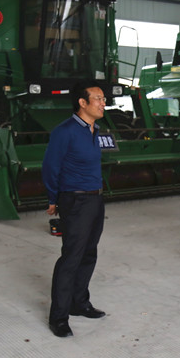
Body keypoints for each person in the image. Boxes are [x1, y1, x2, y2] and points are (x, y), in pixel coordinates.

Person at [43, 81, 108, 338]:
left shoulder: (95, 130)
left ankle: (79, 303)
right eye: (98, 99)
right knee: (71, 257)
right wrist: (53, 199)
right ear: (82, 103)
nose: (103, 103)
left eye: (104, 99)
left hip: (96, 199)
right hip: (76, 201)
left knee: (89, 253)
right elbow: (51, 167)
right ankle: (58, 317)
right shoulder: (65, 131)